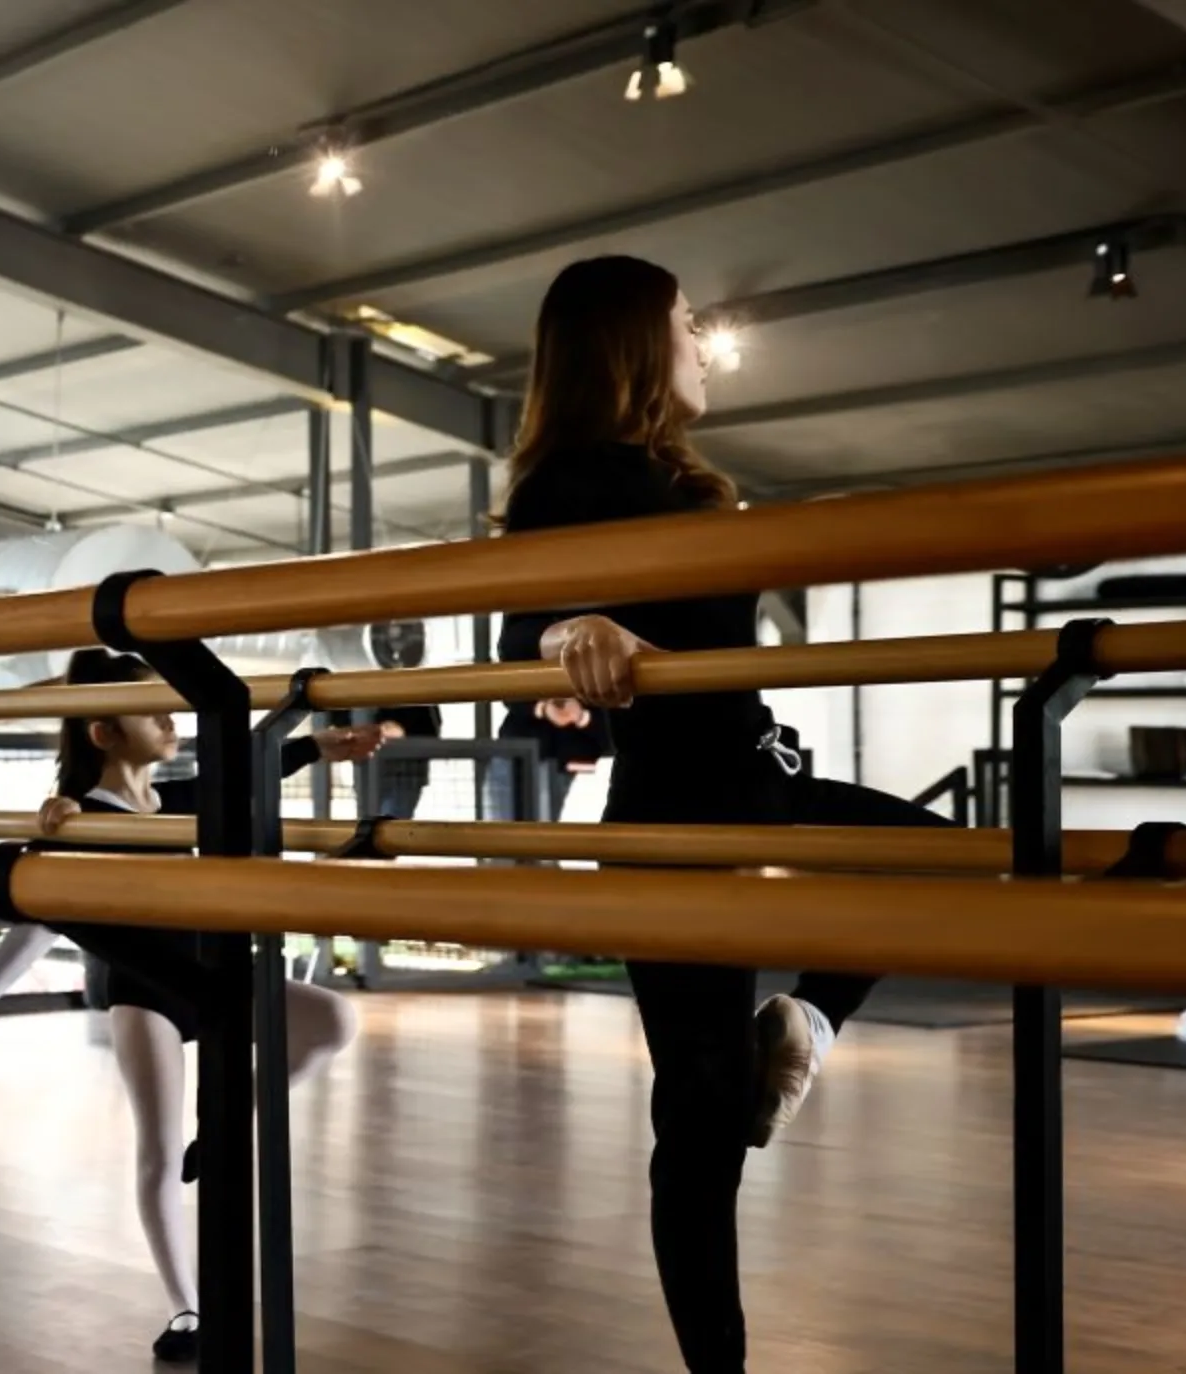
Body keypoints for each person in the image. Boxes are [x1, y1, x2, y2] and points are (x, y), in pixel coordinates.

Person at [495, 254, 953, 1374]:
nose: (702, 343)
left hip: (755, 781)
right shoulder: (572, 480)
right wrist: (574, 632)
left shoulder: (696, 486)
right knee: (699, 1130)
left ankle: (808, 1026)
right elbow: (524, 627)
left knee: (947, 857)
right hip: (669, 815)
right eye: (686, 324)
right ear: (631, 345)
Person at [35, 648, 373, 1364]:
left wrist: (319, 744)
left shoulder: (177, 800)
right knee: (157, 1154)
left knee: (330, 1021)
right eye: (148, 706)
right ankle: (185, 1309)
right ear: (103, 733)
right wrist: (57, 817)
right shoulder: (87, 815)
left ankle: (223, 1127)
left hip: (214, 977)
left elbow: (246, 772)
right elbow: (46, 850)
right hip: (146, 997)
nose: (168, 714)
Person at [484, 696, 610, 823]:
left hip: (569, 763)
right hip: (515, 753)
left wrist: (581, 716)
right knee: (503, 833)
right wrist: (543, 708)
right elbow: (509, 689)